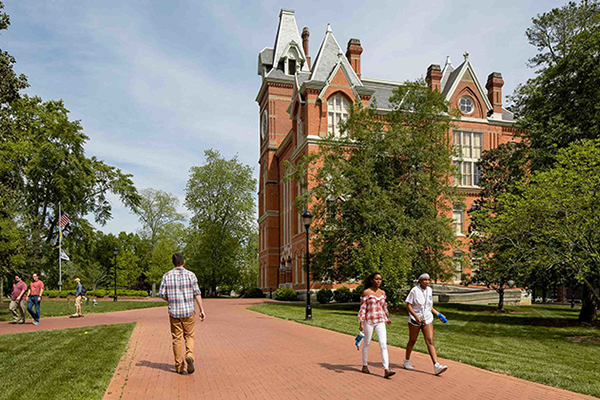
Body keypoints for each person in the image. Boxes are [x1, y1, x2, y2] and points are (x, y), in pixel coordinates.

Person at [159, 253, 205, 375]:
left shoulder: (167, 276)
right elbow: (197, 293)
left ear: (173, 262)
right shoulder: (191, 275)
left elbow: (162, 294)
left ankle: (179, 366)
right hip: (189, 311)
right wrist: (201, 310)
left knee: (176, 338)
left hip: (174, 312)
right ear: (183, 262)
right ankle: (189, 354)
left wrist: (171, 300)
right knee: (189, 335)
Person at [403, 273, 448, 375]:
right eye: (425, 280)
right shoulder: (414, 291)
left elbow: (429, 307)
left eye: (428, 280)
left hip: (427, 318)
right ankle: (406, 360)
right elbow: (408, 306)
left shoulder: (429, 291)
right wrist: (416, 316)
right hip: (415, 319)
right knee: (412, 340)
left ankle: (436, 365)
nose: (427, 282)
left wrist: (439, 315)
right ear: (420, 281)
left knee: (430, 341)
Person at [358, 272, 396, 379]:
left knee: (383, 344)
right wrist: (361, 322)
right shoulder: (366, 293)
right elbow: (363, 309)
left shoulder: (382, 293)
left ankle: (386, 369)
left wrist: (387, 318)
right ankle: (365, 365)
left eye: (380, 279)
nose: (379, 281)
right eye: (377, 279)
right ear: (372, 280)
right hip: (369, 321)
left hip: (380, 321)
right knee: (367, 343)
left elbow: (384, 306)